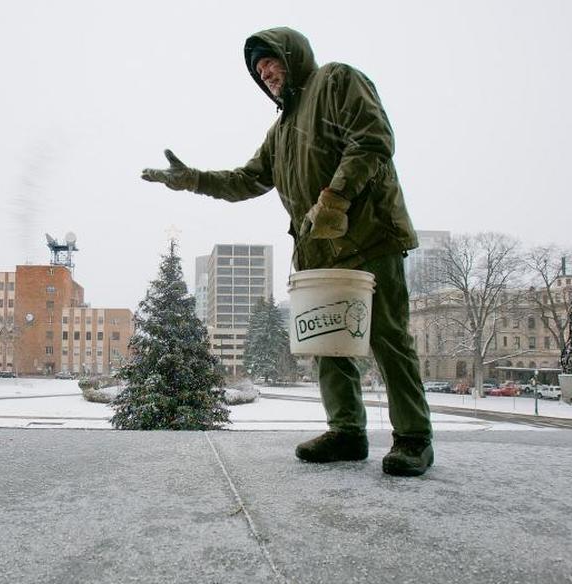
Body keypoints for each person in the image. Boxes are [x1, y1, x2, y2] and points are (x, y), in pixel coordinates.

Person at [141, 27, 433, 476]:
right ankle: (347, 432)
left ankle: (414, 439)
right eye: (259, 71)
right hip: (318, 254)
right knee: (328, 342)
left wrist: (335, 198)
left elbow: (372, 138)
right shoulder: (279, 132)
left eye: (270, 62)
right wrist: (194, 179)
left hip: (372, 238)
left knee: (388, 338)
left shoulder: (335, 81)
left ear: (292, 57)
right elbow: (246, 180)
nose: (266, 74)